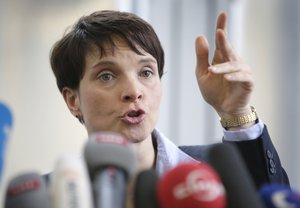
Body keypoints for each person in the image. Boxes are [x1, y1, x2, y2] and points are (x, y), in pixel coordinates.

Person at [49, 10, 289, 190]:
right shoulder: (48, 196)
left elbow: (271, 198)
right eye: (107, 75)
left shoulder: (213, 174)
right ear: (73, 101)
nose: (134, 91)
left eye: (146, 72)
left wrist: (236, 113)